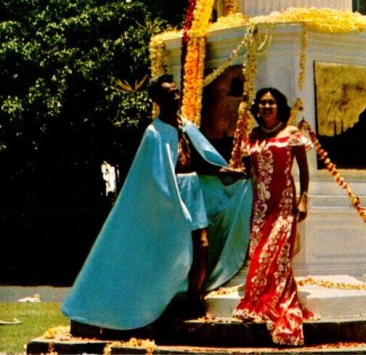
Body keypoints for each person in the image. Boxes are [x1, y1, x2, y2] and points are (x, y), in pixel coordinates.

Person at [61, 74, 251, 333]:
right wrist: (175, 206)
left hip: (192, 188)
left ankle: (194, 298)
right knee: (172, 251)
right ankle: (161, 300)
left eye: (176, 92)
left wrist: (226, 171)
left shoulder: (186, 126)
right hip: (170, 198)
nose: (176, 96)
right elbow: (157, 177)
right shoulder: (153, 133)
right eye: (170, 94)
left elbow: (198, 160)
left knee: (202, 245)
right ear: (157, 99)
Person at [233, 87, 316, 346]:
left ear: (279, 106)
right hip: (261, 205)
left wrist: (303, 199)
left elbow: (303, 170)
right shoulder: (254, 136)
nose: (266, 107)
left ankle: (274, 303)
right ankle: (258, 301)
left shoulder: (291, 134)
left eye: (271, 103)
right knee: (259, 253)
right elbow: (245, 170)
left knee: (278, 253)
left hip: (283, 203)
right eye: (262, 104)